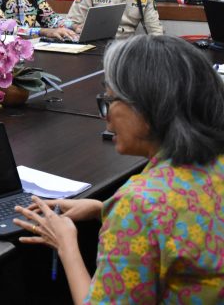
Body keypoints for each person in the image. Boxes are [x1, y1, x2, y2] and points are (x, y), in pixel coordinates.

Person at [13, 35, 224, 304]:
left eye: (110, 101)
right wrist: (102, 209)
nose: (105, 116)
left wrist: (65, 243)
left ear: (147, 108)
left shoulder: (139, 205)